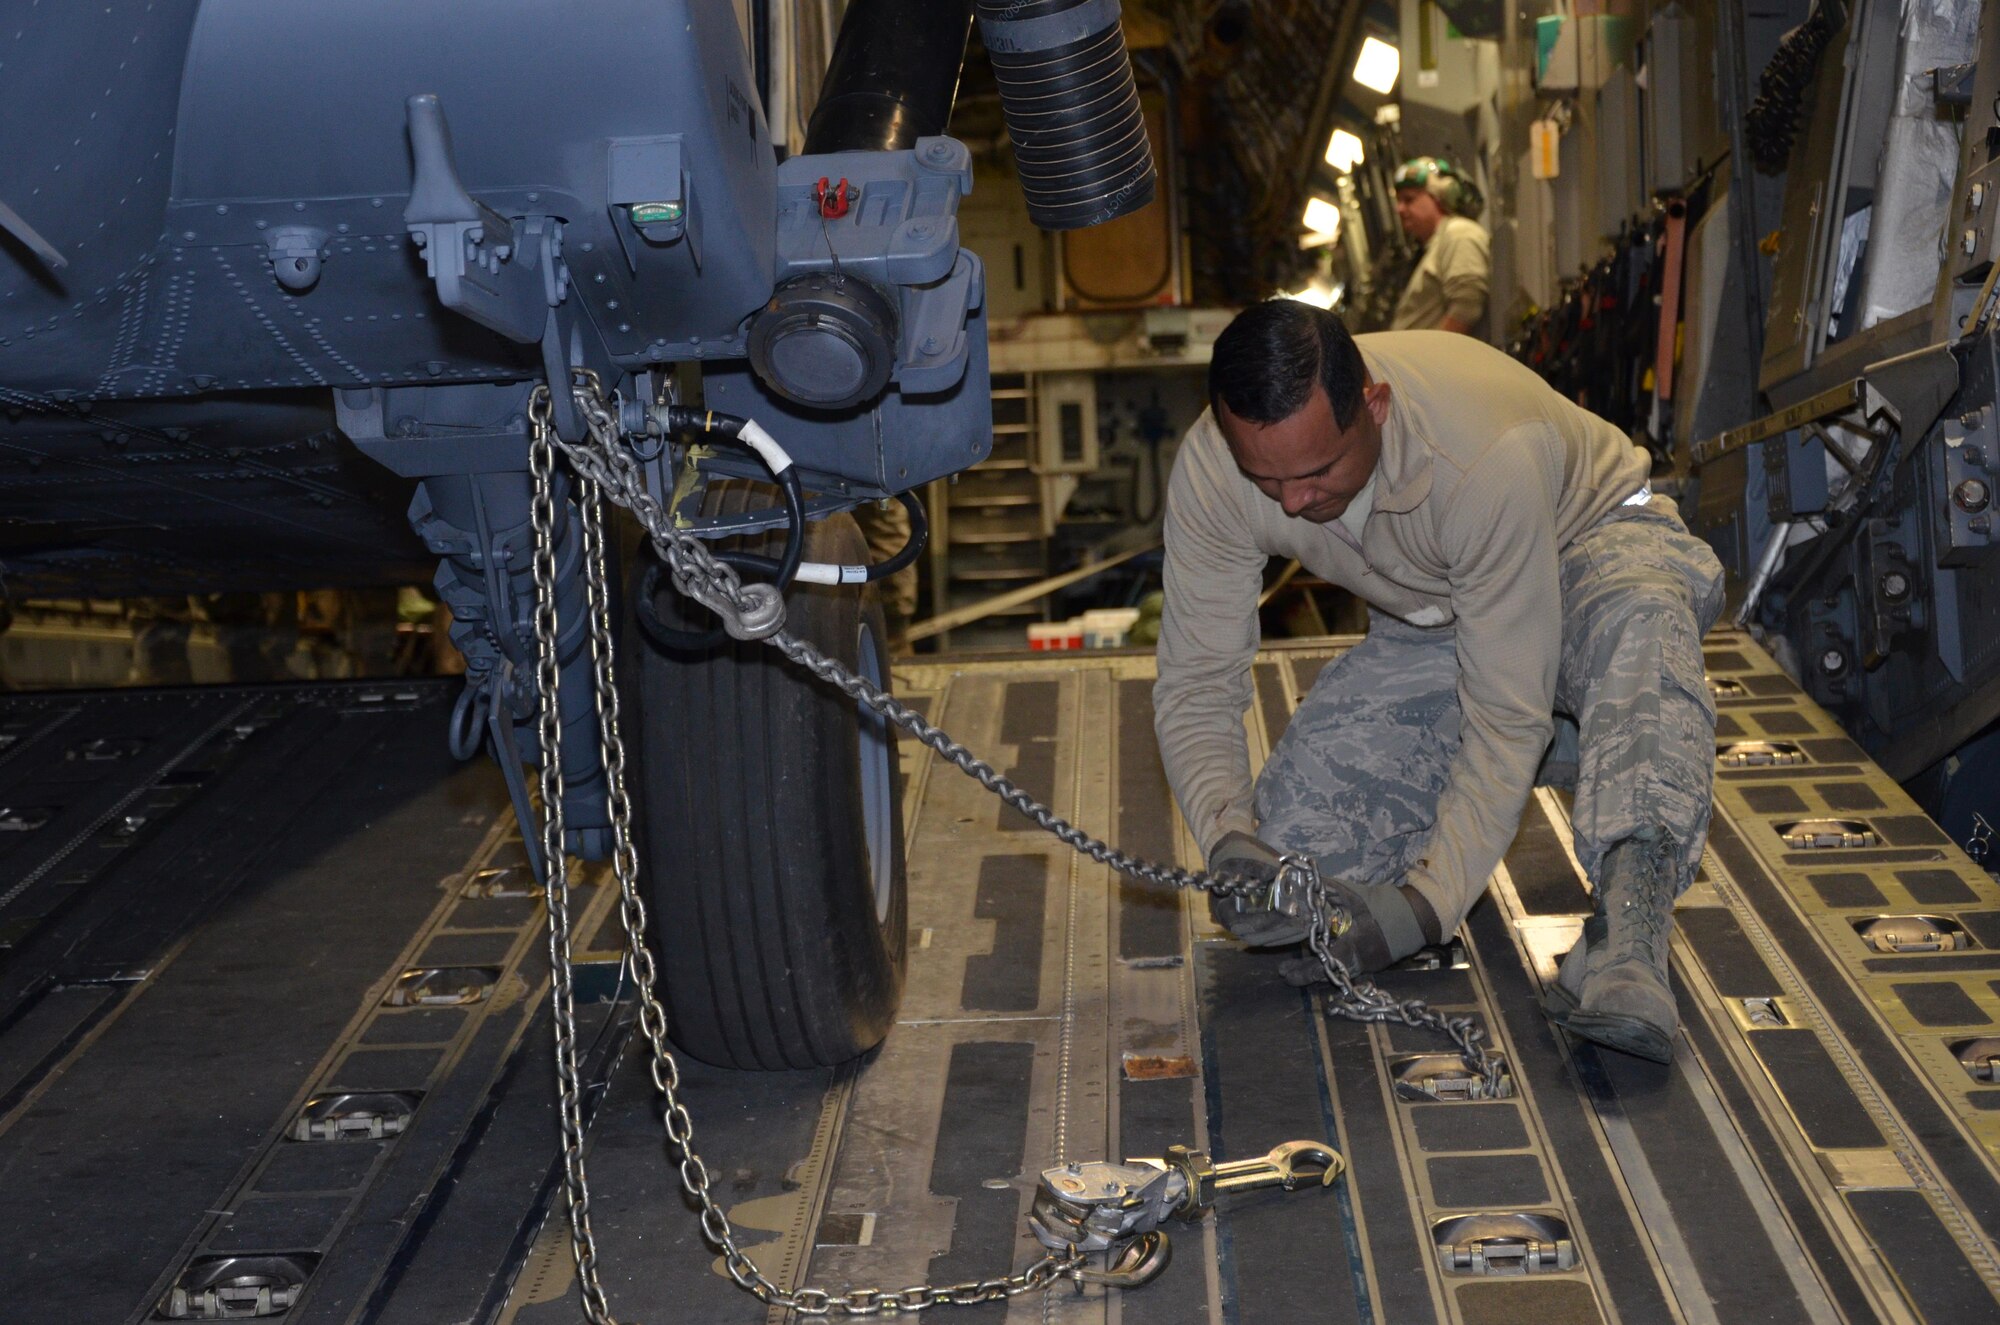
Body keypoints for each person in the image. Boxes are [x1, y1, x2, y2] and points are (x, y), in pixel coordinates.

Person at [1153, 301, 1722, 1062]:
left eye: (1318, 471)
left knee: (1642, 628)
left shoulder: (1483, 454)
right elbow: (1196, 680)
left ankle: (1629, 935)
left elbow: (1503, 712)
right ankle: (1577, 735)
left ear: (1375, 408)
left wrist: (1425, 908)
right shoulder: (1216, 468)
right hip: (1445, 618)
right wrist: (1229, 837)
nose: (1292, 502)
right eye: (1268, 479)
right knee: (1296, 869)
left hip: (1587, 548)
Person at [1388, 157, 1490, 336]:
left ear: (1440, 197)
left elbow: (1467, 305)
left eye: (1409, 199)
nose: (1400, 209)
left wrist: (1434, 359)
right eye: (1398, 201)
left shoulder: (1459, 233)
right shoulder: (1433, 245)